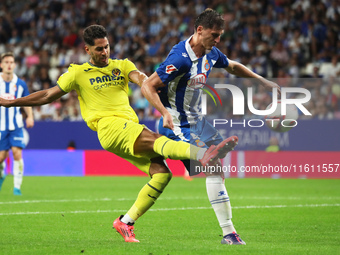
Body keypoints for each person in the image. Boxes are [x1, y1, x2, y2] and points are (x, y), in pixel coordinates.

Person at [0, 25, 238, 243]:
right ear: (87, 50)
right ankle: (203, 154)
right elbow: (47, 95)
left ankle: (125, 223)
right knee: (158, 141)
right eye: (99, 49)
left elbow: (141, 79)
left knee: (161, 174)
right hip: (108, 127)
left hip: (127, 129)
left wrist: (152, 82)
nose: (104, 52)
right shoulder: (77, 73)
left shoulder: (122, 66)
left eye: (107, 47)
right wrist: (13, 103)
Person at [142, 9, 281, 245]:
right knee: (213, 167)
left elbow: (233, 66)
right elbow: (148, 85)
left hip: (197, 120)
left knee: (216, 170)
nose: (218, 40)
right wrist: (164, 112)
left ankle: (228, 230)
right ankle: (229, 233)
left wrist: (261, 81)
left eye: (220, 36)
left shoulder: (211, 52)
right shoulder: (180, 58)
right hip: (177, 122)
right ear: (199, 30)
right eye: (214, 35)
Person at [0, 52, 34, 195]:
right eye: (6, 62)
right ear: (1, 65)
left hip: (16, 126)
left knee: (16, 153)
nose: (9, 64)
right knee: (1, 157)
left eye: (11, 62)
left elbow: (27, 101)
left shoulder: (20, 83)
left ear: (14, 65)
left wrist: (30, 116)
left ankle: (17, 188)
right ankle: (2, 174)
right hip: (1, 127)